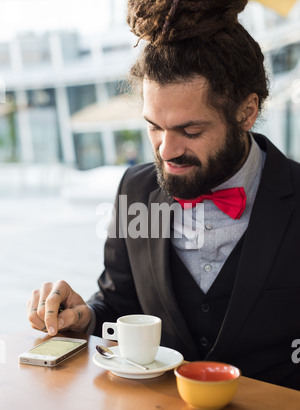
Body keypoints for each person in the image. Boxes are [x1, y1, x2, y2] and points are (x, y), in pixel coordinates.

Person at [27, 0, 300, 390]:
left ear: (246, 111)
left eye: (190, 131)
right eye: (154, 127)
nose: (165, 151)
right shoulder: (136, 191)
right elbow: (121, 304)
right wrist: (84, 316)